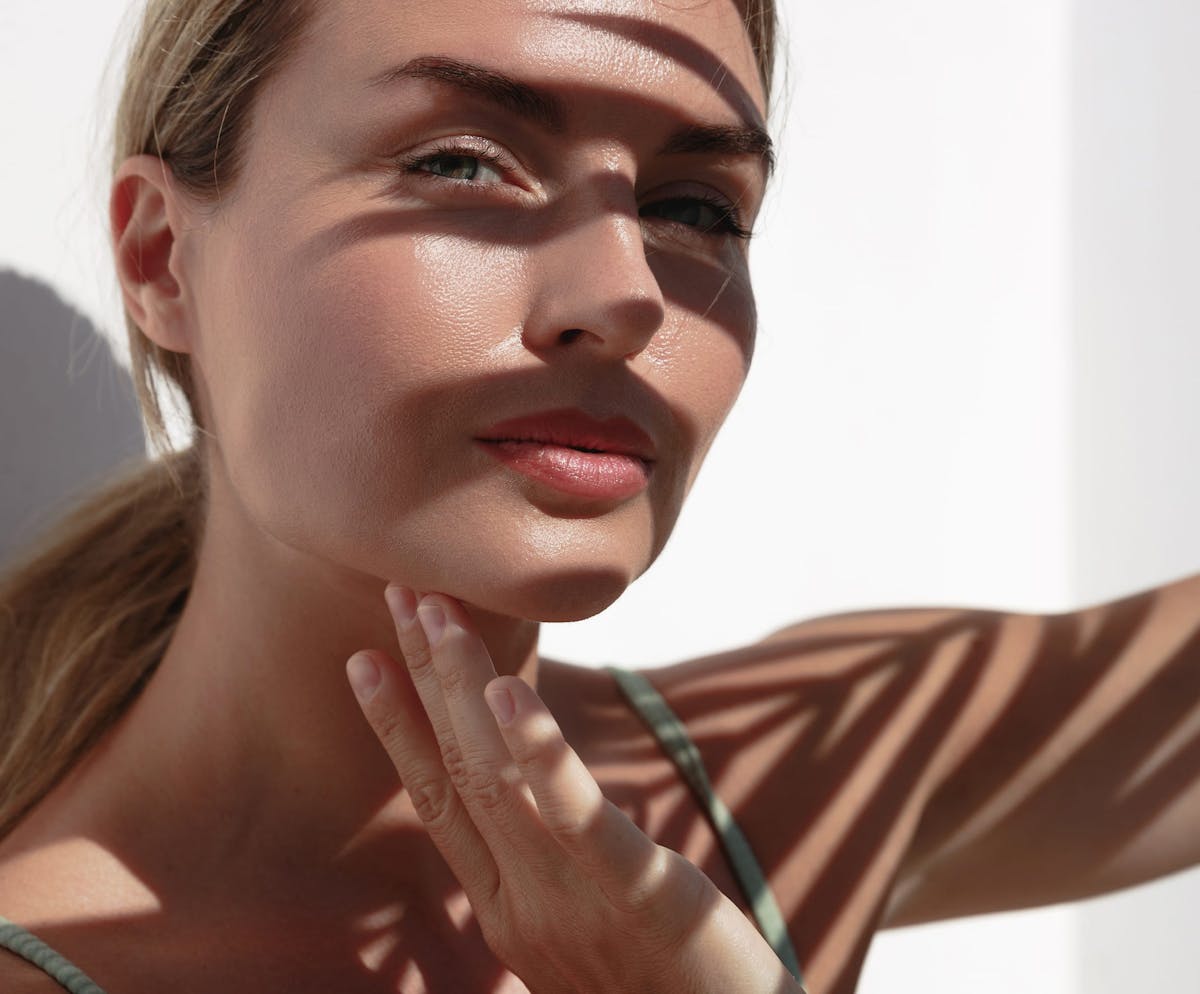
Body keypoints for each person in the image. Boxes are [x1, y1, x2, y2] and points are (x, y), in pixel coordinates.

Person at [0, 0, 1197, 992]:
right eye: (461, 161)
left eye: (695, 208)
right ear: (162, 258)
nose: (626, 293)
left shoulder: (772, 772)